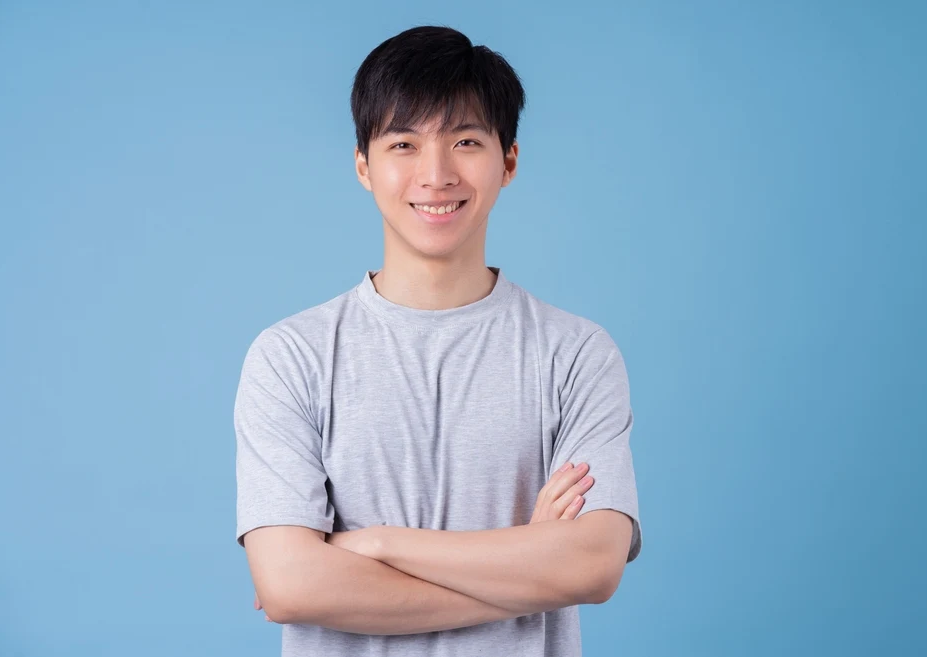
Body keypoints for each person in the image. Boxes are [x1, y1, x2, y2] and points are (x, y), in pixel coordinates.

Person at [234, 24, 642, 657]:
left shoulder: (576, 355)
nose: (436, 173)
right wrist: (530, 567)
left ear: (508, 160)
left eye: (467, 141)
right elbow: (290, 585)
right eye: (404, 143)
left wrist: (376, 544)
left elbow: (592, 566)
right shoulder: (291, 357)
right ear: (363, 166)